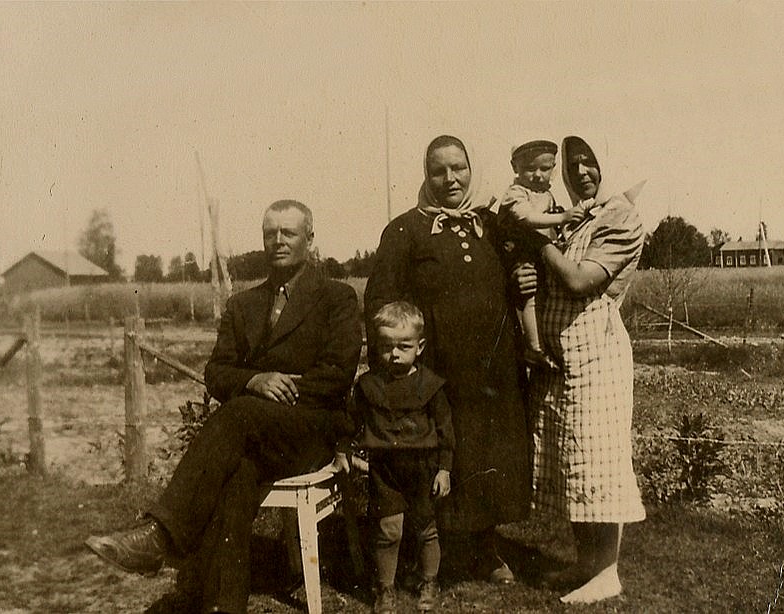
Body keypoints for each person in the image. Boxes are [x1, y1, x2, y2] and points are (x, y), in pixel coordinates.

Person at [84, 200, 362, 614]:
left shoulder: (336, 297)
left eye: (289, 232)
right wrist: (254, 380)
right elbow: (217, 372)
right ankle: (223, 605)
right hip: (252, 435)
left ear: (310, 238)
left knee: (240, 413)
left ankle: (161, 536)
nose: (279, 241)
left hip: (311, 430)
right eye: (271, 233)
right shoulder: (243, 304)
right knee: (238, 473)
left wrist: (274, 389)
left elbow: (336, 376)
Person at [364, 135, 531, 584]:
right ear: (426, 175)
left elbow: (514, 281)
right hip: (435, 372)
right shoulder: (406, 230)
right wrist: (395, 368)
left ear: (471, 170)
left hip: (492, 370)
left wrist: (524, 281)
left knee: (486, 455)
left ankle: (486, 549)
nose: (450, 178)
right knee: (436, 456)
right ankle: (431, 552)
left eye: (458, 168)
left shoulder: (491, 225)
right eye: (439, 170)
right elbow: (380, 301)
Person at [517, 135, 646, 603]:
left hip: (597, 355)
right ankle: (587, 566)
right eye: (573, 166)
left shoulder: (622, 217)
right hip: (559, 357)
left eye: (590, 163)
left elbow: (578, 280)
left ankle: (607, 571)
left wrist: (533, 239)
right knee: (572, 461)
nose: (582, 173)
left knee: (599, 460)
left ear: (609, 164)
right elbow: (546, 271)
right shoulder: (576, 218)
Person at [335, 301, 455, 613]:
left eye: (404, 346)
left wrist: (444, 470)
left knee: (426, 528)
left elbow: (445, 432)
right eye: (387, 346)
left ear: (420, 346)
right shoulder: (369, 386)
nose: (395, 354)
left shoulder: (430, 386)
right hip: (384, 470)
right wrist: (342, 449)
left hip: (423, 467)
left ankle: (430, 580)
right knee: (388, 530)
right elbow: (350, 422)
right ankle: (385, 588)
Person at [496, 139, 589, 368]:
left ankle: (548, 344)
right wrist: (563, 217)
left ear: (554, 168)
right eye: (529, 168)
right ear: (514, 167)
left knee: (547, 298)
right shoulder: (516, 193)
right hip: (520, 254)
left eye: (545, 169)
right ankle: (535, 347)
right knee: (531, 296)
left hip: (540, 253)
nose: (537, 175)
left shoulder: (547, 194)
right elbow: (527, 217)